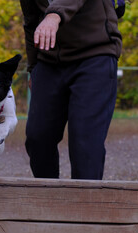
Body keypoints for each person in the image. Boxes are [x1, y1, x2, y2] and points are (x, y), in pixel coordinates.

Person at [20, 0, 122, 180]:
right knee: (38, 138)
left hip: (95, 54)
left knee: (85, 144)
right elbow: (31, 21)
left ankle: (86, 205)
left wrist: (53, 15)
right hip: (49, 61)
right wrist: (33, 68)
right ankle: (50, 200)